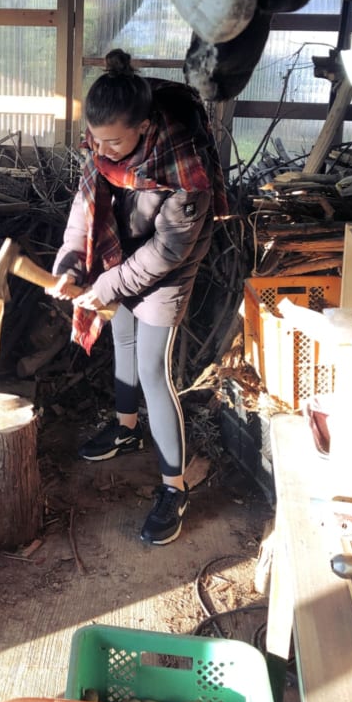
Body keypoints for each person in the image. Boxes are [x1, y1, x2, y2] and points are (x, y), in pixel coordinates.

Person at [49, 48, 227, 545]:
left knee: (153, 368)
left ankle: (174, 487)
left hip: (170, 259)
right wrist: (70, 265)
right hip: (123, 244)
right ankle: (126, 428)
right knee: (121, 338)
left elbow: (165, 252)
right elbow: (84, 212)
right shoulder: (103, 142)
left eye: (113, 142)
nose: (101, 150)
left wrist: (104, 286)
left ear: (145, 129)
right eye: (95, 141)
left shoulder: (184, 168)